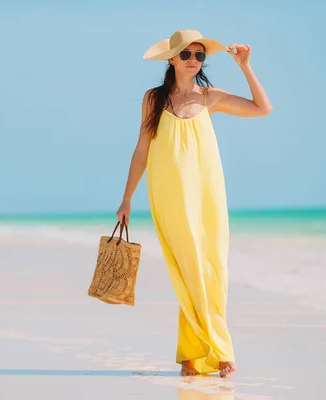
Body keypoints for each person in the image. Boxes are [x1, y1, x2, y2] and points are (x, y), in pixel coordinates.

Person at [115, 29, 272, 378]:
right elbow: (142, 149)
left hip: (207, 195)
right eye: (186, 54)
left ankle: (192, 354)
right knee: (187, 268)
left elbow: (263, 108)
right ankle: (219, 350)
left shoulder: (210, 97)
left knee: (211, 268)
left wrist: (246, 67)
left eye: (200, 56)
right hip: (168, 193)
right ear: (171, 59)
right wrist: (126, 198)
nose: (193, 61)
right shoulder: (154, 99)